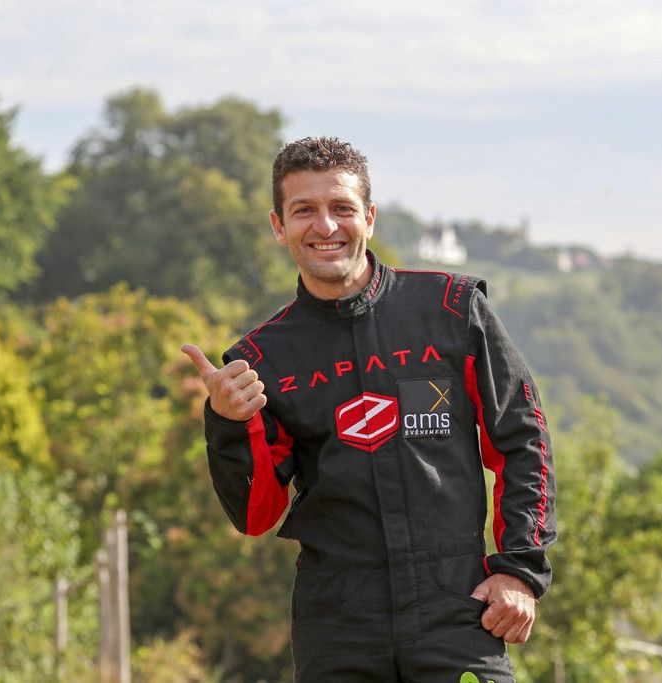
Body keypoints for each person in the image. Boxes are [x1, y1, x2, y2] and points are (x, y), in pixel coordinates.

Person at [182, 137, 556, 682]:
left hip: (458, 607)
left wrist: (519, 570)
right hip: (337, 623)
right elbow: (255, 515)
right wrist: (228, 423)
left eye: (342, 207)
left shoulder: (452, 309)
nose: (325, 226)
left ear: (370, 218)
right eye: (303, 210)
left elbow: (523, 441)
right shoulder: (261, 360)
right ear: (279, 226)